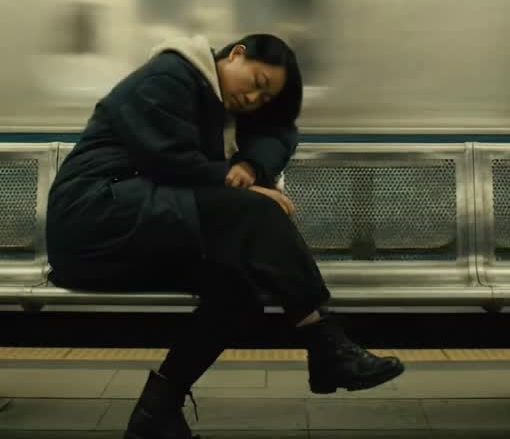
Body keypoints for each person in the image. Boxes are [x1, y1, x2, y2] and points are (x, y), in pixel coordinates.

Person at [45, 32, 404, 439]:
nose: (253, 100)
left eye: (264, 98)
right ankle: (324, 341)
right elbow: (166, 157)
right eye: (256, 83)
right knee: (256, 210)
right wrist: (239, 186)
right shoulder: (170, 76)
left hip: (138, 228)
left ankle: (157, 411)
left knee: (240, 290)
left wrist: (250, 164)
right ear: (236, 54)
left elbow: (280, 132)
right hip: (94, 217)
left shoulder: (222, 106)